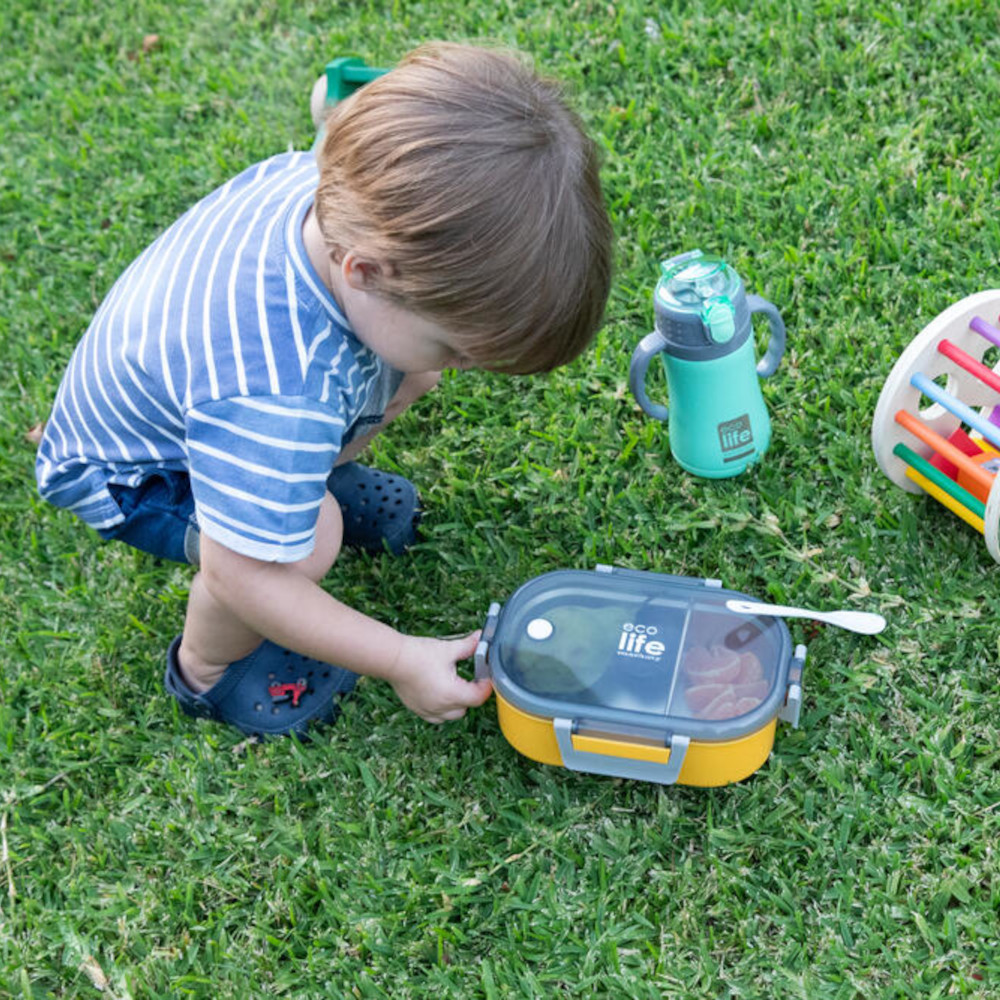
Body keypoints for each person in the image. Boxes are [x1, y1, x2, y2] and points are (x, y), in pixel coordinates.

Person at [35, 42, 614, 738]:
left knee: (402, 378)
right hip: (135, 475)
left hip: (198, 405)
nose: (461, 368)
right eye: (454, 348)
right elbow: (241, 575)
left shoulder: (345, 189)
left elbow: (342, 105)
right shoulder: (279, 391)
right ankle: (207, 669)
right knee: (307, 543)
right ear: (364, 272)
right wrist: (399, 657)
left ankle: (295, 480)